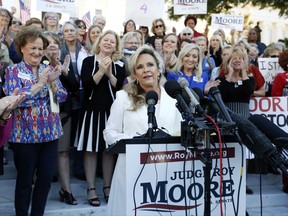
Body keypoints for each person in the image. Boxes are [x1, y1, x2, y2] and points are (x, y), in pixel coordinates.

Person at [103, 44, 182, 216]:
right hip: (132, 172)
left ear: (159, 69)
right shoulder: (123, 98)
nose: (146, 70)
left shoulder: (173, 98)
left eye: (150, 65)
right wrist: (135, 142)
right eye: (140, 67)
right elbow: (109, 133)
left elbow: (180, 131)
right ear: (135, 75)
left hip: (167, 174)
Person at [2, 26, 67, 216]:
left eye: (40, 48)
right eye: (33, 48)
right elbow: (15, 99)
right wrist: (40, 85)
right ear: (22, 47)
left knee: (45, 179)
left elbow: (63, 97)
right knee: (24, 180)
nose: (37, 52)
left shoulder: (48, 69)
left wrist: (54, 83)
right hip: (24, 135)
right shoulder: (13, 71)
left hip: (50, 133)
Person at [76, 30, 126, 207]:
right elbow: (87, 85)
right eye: (106, 40)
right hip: (91, 111)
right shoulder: (89, 61)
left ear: (116, 46)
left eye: (112, 42)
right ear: (99, 42)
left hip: (110, 113)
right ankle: (91, 188)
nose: (108, 43)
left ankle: (107, 187)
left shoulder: (119, 64)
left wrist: (109, 72)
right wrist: (100, 71)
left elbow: (120, 88)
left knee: (108, 151)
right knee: (90, 150)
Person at [59, 21, 88, 181]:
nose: (70, 33)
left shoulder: (84, 51)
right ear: (62, 34)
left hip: (82, 95)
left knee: (79, 132)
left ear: (77, 33)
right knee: (65, 136)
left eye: (72, 30)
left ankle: (78, 168)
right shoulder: (59, 51)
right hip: (66, 97)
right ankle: (59, 170)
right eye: (66, 30)